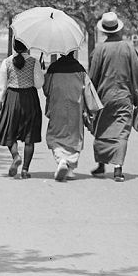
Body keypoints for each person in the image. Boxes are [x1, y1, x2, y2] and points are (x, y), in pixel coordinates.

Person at [88, 11, 138, 182]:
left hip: (103, 98)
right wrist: (137, 98)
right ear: (119, 29)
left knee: (101, 130)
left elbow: (92, 77)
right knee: (121, 133)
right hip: (124, 97)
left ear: (104, 31)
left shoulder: (99, 50)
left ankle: (100, 165)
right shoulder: (129, 48)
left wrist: (88, 100)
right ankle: (118, 169)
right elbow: (136, 74)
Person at [0, 39, 44, 178]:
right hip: (30, 99)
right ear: (27, 47)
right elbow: (39, 84)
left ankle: (16, 156)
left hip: (12, 98)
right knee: (30, 136)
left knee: (9, 130)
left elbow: (1, 84)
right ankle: (25, 170)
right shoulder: (34, 62)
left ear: (14, 47)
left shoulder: (7, 62)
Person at [43, 49, 91, 182]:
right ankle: (69, 167)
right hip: (76, 107)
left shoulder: (54, 68)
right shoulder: (80, 69)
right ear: (73, 53)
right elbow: (87, 90)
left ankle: (61, 160)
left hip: (57, 105)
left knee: (56, 134)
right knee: (75, 135)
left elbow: (46, 89)